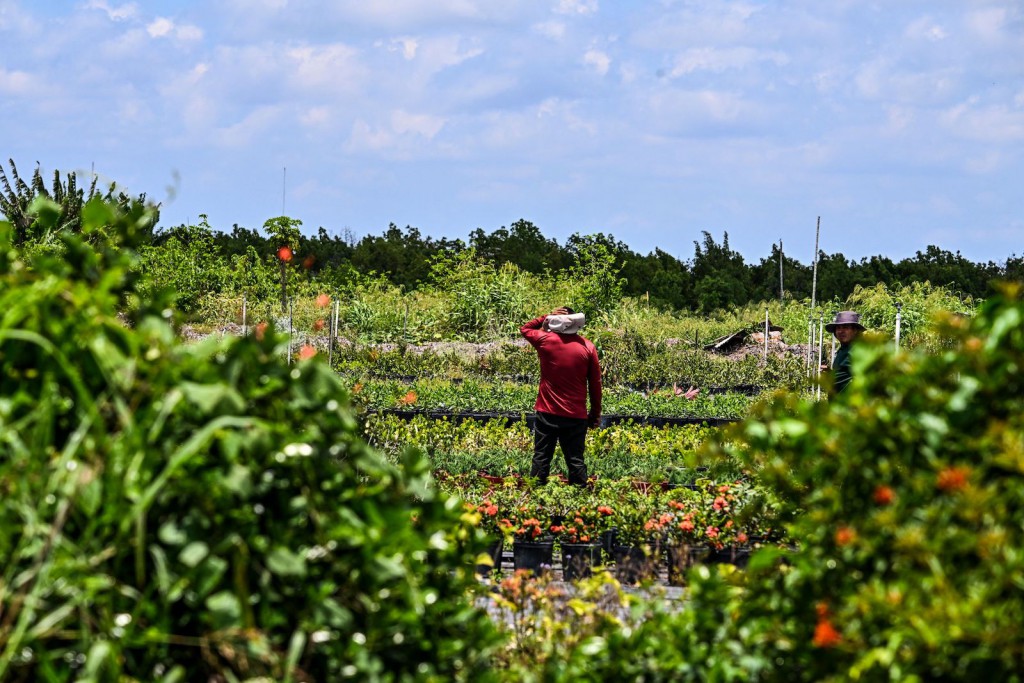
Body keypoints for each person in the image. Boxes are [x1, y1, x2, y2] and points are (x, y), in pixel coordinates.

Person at [520, 307, 602, 485]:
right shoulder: (588, 347)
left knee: (541, 458)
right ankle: (579, 502)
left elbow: (525, 329)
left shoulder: (545, 340)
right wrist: (595, 414)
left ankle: (534, 503)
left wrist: (547, 315)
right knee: (575, 461)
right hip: (576, 416)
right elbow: (595, 385)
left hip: (547, 412)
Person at [824, 310, 866, 395]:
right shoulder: (843, 349)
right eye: (838, 328)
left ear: (855, 330)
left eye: (846, 327)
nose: (841, 331)